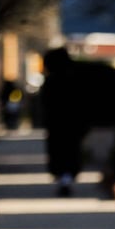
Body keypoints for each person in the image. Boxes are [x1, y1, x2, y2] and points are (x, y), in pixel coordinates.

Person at [40, 47, 89, 195]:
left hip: (58, 125)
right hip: (71, 124)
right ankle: (66, 178)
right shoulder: (75, 79)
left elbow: (45, 103)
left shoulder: (51, 81)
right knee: (70, 152)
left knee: (60, 153)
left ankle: (63, 178)